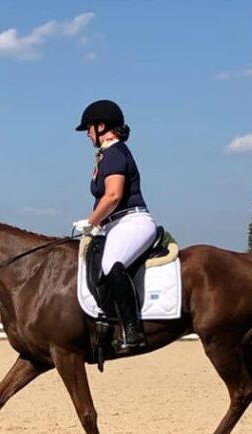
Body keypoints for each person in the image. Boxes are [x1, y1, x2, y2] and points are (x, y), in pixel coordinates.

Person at [73, 99, 157, 349]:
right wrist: (95, 226)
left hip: (133, 221)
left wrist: (90, 222)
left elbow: (113, 196)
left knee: (111, 265)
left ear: (101, 126)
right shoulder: (106, 156)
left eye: (89, 128)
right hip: (114, 224)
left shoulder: (115, 154)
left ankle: (133, 331)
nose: (87, 134)